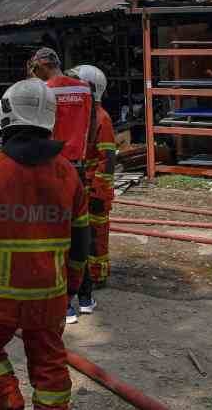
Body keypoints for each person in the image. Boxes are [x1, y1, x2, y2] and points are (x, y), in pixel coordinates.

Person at [0, 78, 90, 410]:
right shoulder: (69, 174)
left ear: (6, 115)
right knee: (50, 365)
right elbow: (81, 245)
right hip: (50, 299)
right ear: (49, 118)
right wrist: (70, 290)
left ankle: (8, 403)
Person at [28, 47, 95, 323]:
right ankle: (86, 298)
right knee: (79, 231)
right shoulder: (84, 89)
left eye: (36, 69)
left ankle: (64, 305)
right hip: (78, 167)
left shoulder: (44, 91)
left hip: (53, 166)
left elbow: (37, 130)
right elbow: (90, 126)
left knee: (53, 233)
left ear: (44, 65)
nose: (35, 73)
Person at [68, 65, 117, 298]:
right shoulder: (81, 115)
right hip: (80, 187)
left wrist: (98, 191)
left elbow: (107, 160)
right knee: (80, 234)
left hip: (95, 190)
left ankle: (97, 275)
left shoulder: (101, 118)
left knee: (96, 234)